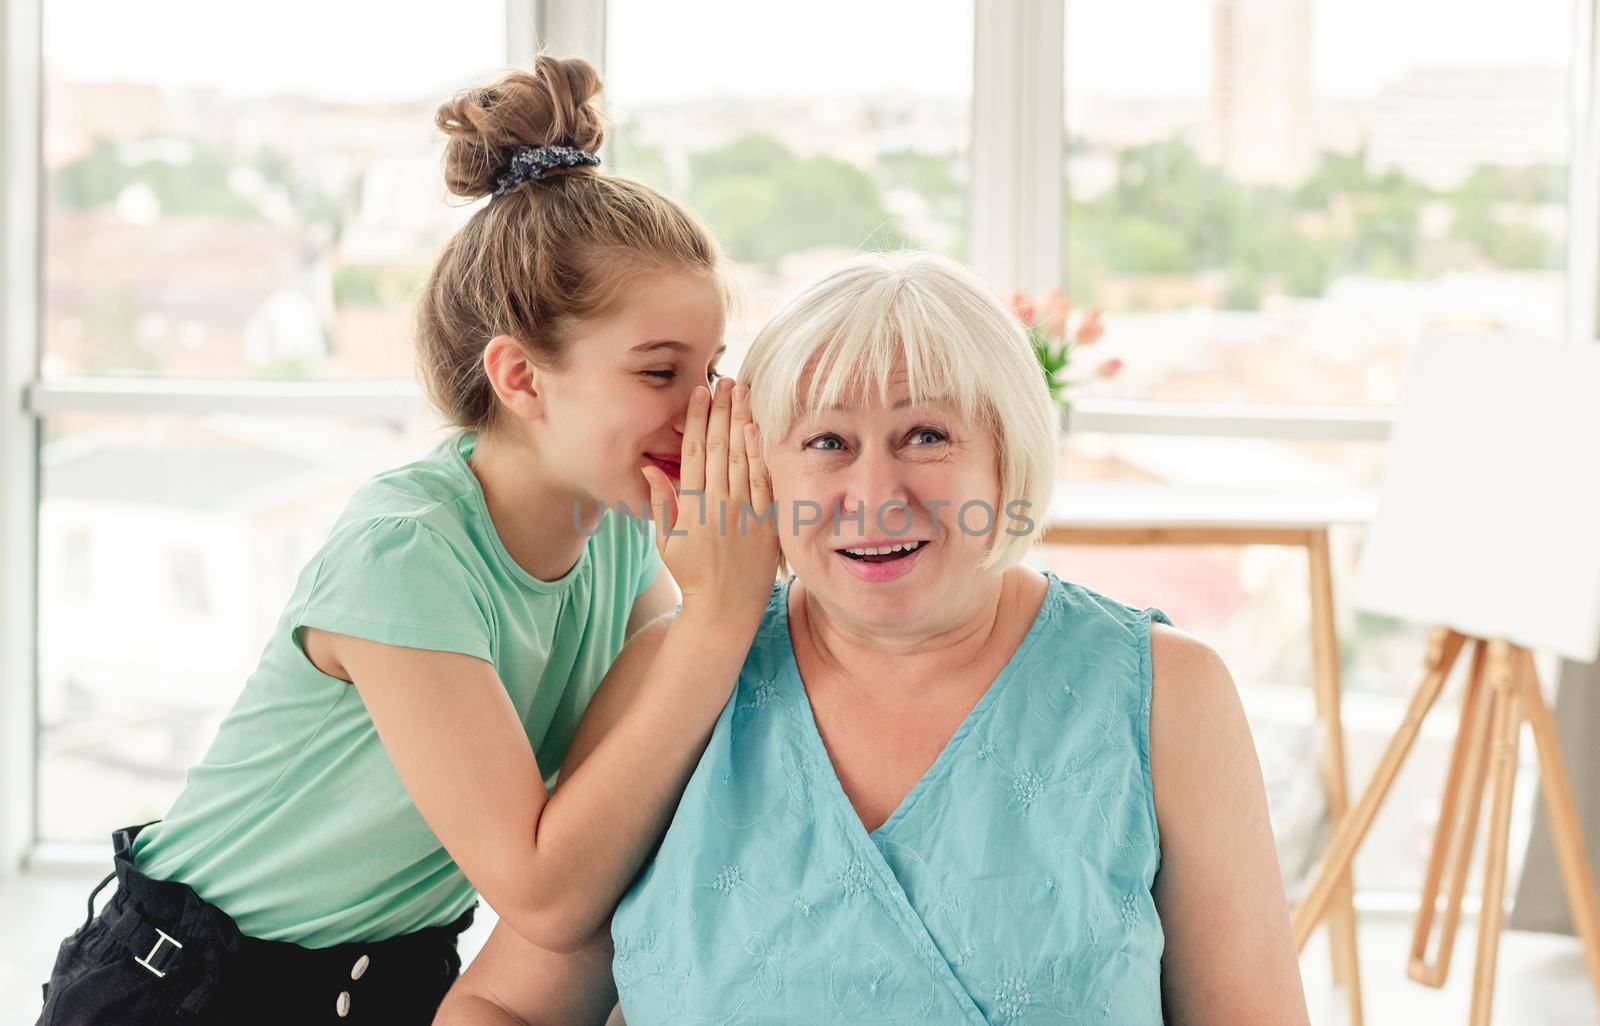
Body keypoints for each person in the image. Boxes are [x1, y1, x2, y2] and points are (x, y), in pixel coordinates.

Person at [35, 55, 778, 1026]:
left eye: (712, 366)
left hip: (395, 976)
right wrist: (718, 619)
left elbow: (630, 766)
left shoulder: (619, 537)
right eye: (658, 372)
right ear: (519, 379)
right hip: (195, 986)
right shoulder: (408, 551)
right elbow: (544, 891)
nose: (706, 406)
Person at [436, 252, 1311, 1026]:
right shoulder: (672, 675)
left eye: (926, 434)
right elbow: (505, 1002)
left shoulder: (1170, 696)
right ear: (757, 467)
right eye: (826, 441)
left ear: (1006, 456)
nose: (874, 493)